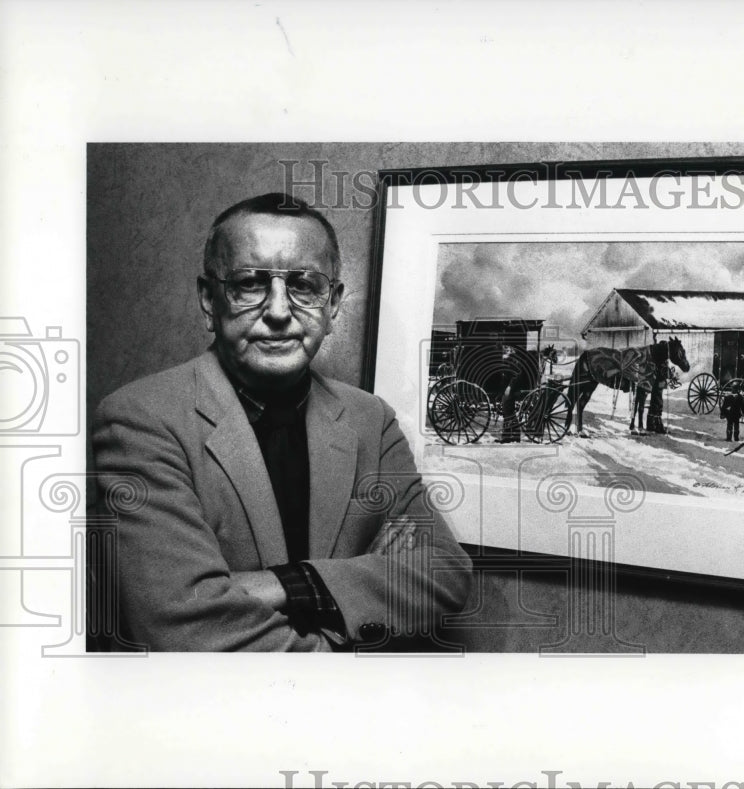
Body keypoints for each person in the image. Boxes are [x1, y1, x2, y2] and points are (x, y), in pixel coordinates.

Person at [90, 193, 472, 651]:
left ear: (332, 305)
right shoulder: (140, 419)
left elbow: (446, 573)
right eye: (249, 283)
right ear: (210, 301)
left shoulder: (372, 420)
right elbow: (185, 625)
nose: (277, 311)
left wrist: (279, 585)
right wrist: (352, 614)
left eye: (304, 285)